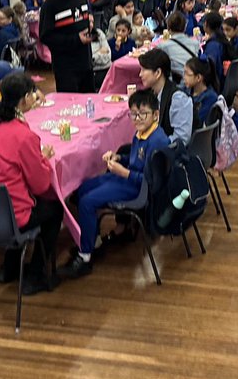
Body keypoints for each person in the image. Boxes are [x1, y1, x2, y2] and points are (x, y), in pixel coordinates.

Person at [58, 88, 169, 280]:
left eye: (143, 114)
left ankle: (85, 257)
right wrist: (118, 157)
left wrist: (123, 172)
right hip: (126, 178)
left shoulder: (157, 141)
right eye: (133, 114)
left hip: (136, 188)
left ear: (155, 114)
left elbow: (150, 180)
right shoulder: (141, 133)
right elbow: (134, 160)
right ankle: (92, 240)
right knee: (81, 190)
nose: (138, 118)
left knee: (87, 202)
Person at [0, 72, 62, 295]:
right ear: (23, 101)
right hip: (12, 214)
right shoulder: (24, 136)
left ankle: (9, 266)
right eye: (31, 94)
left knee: (17, 200)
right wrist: (43, 160)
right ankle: (36, 274)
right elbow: (40, 185)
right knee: (54, 209)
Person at [39, 0, 94, 93]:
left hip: (86, 62)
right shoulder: (50, 4)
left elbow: (83, 20)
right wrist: (76, 39)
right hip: (65, 67)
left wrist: (90, 25)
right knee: (70, 105)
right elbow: (46, 37)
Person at [137, 48, 192, 147]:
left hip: (171, 154)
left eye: (144, 70)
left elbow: (182, 138)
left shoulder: (178, 98)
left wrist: (152, 144)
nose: (140, 74)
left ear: (157, 73)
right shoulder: (152, 93)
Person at [182, 57, 219, 128]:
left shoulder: (210, 98)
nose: (184, 77)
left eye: (187, 74)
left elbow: (197, 122)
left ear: (198, 77)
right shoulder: (186, 90)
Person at [160, 11, 199, 77]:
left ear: (168, 28)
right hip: (192, 80)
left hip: (175, 82)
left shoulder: (163, 46)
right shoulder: (195, 43)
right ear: (185, 27)